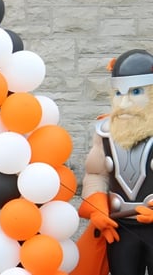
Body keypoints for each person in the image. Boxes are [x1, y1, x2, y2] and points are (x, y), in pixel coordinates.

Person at [72, 49, 153, 275]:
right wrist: (97, 208)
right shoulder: (105, 132)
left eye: (135, 92)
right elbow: (96, 175)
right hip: (120, 228)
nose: (124, 104)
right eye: (118, 93)